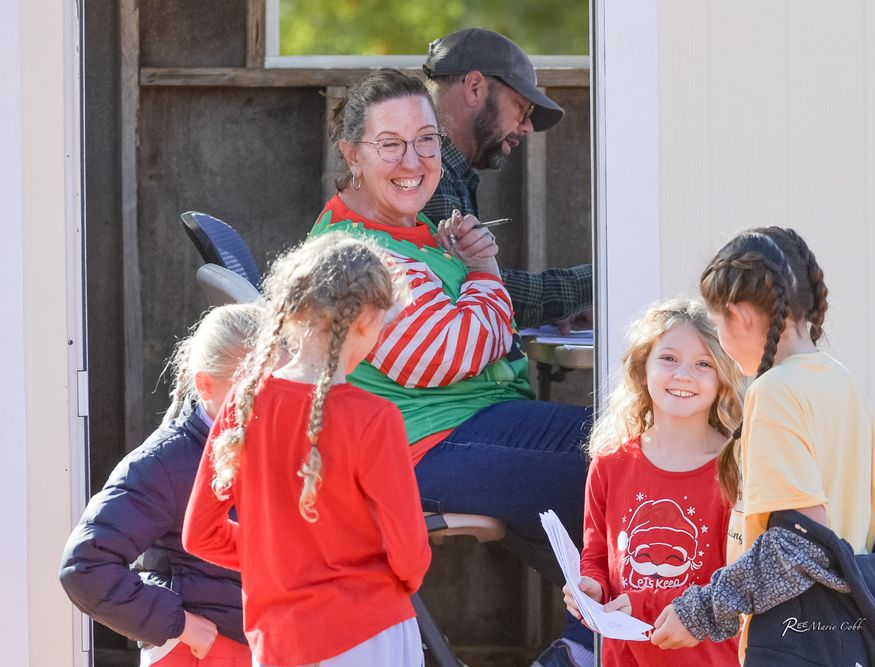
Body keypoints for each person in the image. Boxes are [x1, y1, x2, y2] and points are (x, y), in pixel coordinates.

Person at [310, 68, 593, 667]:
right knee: (614, 474)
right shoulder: (360, 254)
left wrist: (475, 297)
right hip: (417, 450)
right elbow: (448, 351)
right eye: (390, 143)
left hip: (464, 424)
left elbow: (474, 332)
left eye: (427, 140)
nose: (412, 159)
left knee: (625, 443)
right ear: (352, 156)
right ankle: (591, 647)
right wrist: (485, 278)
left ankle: (591, 644)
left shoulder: (410, 234)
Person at [182, 233, 431, 667]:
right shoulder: (374, 418)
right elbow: (410, 557)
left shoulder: (242, 402)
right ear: (366, 320)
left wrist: (277, 555)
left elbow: (199, 534)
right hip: (369, 631)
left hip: (278, 640)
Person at [649, 228, 875, 662]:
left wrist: (701, 611)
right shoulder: (839, 379)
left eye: (716, 322)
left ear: (739, 315)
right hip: (852, 634)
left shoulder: (776, 391)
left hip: (802, 643)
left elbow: (803, 542)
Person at [59, 303, 261, 666]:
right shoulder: (165, 462)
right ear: (205, 384)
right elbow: (85, 565)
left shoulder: (272, 442)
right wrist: (182, 626)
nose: (264, 405)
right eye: (248, 392)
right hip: (199, 654)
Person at [564, 299, 742, 666]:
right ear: (642, 368)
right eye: (669, 358)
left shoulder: (736, 469)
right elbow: (597, 556)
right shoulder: (610, 463)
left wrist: (645, 604)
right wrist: (590, 588)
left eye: (703, 364)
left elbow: (736, 587)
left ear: (722, 376)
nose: (683, 374)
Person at [422, 27, 592, 331]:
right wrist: (607, 279)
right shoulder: (426, 171)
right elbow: (466, 287)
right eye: (521, 108)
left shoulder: (449, 168)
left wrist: (558, 308)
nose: (527, 127)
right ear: (474, 87)